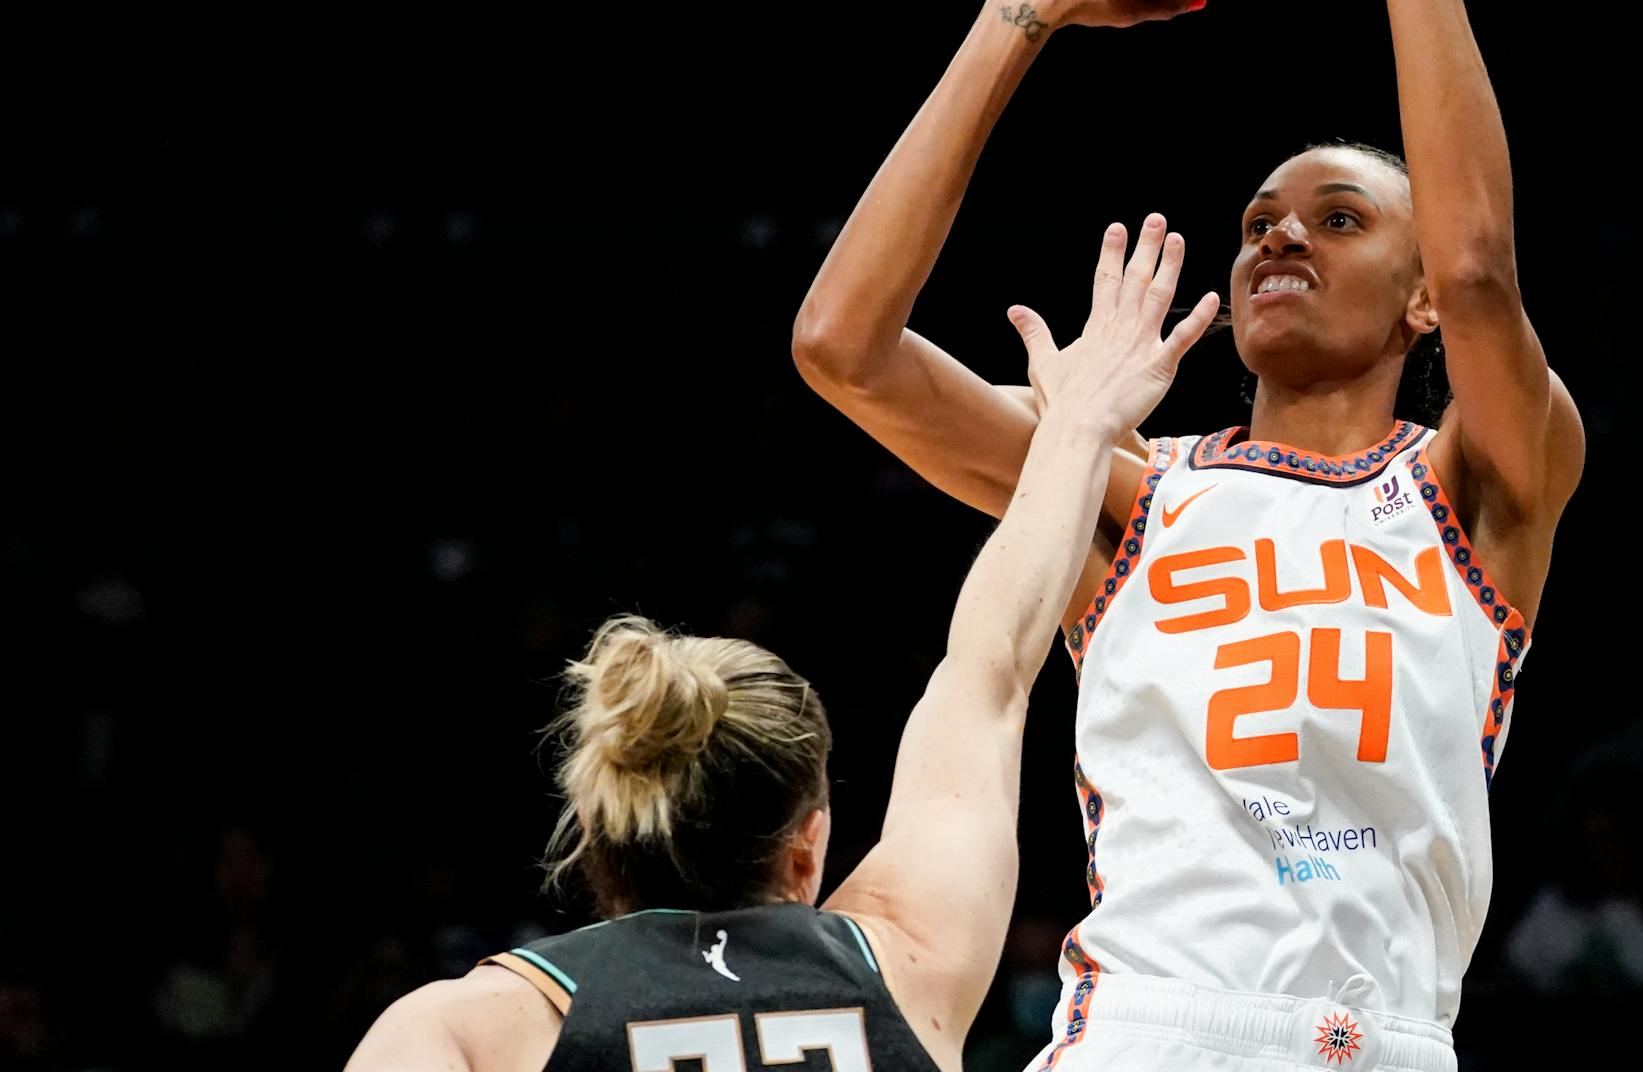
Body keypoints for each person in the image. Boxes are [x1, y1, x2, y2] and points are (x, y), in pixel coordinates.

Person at [792, 0, 1585, 1072]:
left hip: (1395, 1041)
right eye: (1260, 222)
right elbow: (841, 348)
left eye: (1337, 218)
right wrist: (1013, 18)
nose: (1280, 233)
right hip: (1148, 1033)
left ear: (1415, 309)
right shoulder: (1131, 493)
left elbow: (1480, 273)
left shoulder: (1486, 484)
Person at [347, 223, 1220, 1072]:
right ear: (808, 848)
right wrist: (1077, 428)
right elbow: (990, 666)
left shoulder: (473, 1027)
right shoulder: (910, 965)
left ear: (600, 831)